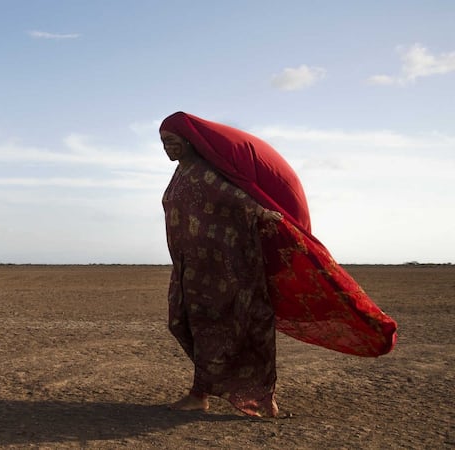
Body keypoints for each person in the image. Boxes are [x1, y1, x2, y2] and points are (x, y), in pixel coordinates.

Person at [159, 112, 397, 418]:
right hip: (190, 270)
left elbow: (235, 198)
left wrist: (262, 213)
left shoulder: (204, 173)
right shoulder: (180, 175)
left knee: (235, 328)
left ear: (189, 141)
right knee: (185, 323)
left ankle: (250, 396)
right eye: (164, 143)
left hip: (224, 270)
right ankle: (203, 391)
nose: (167, 148)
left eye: (172, 141)